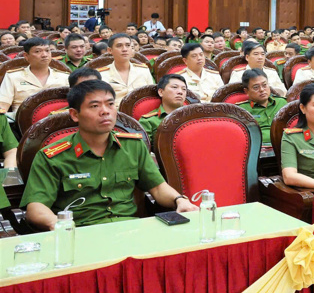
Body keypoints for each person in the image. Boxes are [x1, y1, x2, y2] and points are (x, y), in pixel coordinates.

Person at [23, 80, 198, 229]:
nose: (105, 111)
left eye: (110, 104)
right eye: (94, 106)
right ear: (75, 114)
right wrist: (59, 225)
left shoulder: (133, 145)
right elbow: (35, 207)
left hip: (131, 228)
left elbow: (158, 187)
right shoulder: (53, 155)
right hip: (82, 232)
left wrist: (179, 200)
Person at [0, 38, 70, 115]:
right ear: (26, 56)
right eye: (37, 51)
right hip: (22, 124)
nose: (44, 55)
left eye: (47, 50)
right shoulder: (13, 77)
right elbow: (3, 108)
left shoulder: (64, 77)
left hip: (57, 124)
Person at [96, 34, 154, 104]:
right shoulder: (101, 74)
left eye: (128, 45)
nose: (124, 49)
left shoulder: (143, 70)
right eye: (119, 46)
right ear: (110, 50)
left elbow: (151, 96)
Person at [235, 69, 286, 142]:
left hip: (283, 145)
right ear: (246, 91)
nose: (262, 90)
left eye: (264, 85)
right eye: (256, 87)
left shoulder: (282, 102)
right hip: (259, 149)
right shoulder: (242, 110)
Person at [139, 73, 188, 143]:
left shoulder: (193, 117)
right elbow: (144, 150)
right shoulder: (148, 121)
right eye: (174, 87)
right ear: (161, 92)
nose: (180, 92)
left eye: (184, 89)